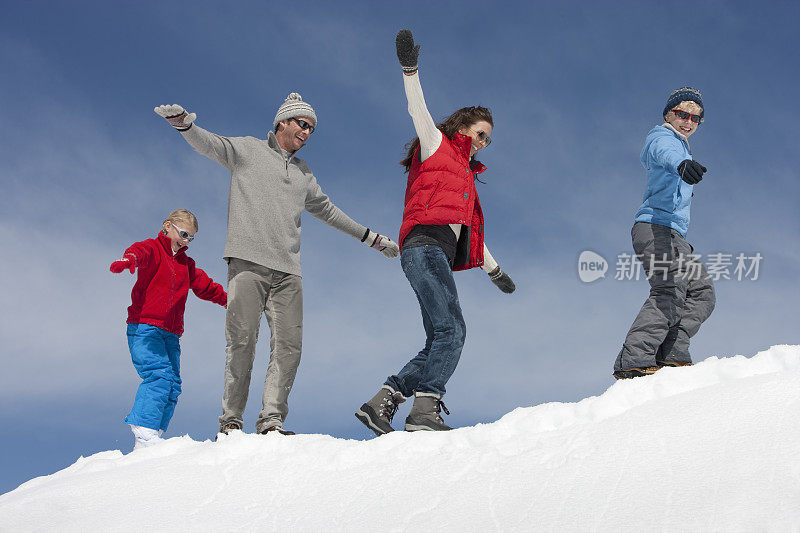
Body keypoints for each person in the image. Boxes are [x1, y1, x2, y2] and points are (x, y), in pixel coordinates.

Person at [154, 93, 399, 436]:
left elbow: (329, 211)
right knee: (242, 341)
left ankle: (271, 419)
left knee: (289, 346)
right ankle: (230, 422)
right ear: (282, 122)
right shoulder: (247, 151)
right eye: (303, 124)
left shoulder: (303, 174)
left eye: (312, 128)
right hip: (248, 264)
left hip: (288, 273)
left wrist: (371, 238)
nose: (307, 132)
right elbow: (209, 144)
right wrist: (185, 126)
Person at [355, 29, 516, 435]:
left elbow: (468, 233)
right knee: (453, 330)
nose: (483, 143)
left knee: (439, 339)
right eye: (480, 134)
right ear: (464, 125)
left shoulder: (464, 176)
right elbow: (418, 110)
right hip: (423, 248)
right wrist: (410, 70)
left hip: (434, 253)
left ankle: (384, 401)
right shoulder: (436, 144)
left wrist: (494, 271)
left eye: (489, 141)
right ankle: (424, 411)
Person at [613, 87, 716, 379]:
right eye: (681, 114)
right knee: (669, 289)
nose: (687, 121)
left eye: (695, 118)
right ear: (668, 114)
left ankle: (672, 352)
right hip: (655, 228)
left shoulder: (684, 148)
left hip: (675, 236)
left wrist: (684, 160)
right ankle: (635, 358)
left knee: (701, 292)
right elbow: (662, 151)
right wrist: (681, 164)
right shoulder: (661, 138)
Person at [110, 209, 227, 449]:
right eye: (183, 234)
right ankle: (144, 432)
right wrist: (128, 260)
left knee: (173, 384)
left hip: (171, 333)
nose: (186, 241)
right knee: (158, 377)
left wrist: (230, 301)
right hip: (145, 327)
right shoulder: (153, 249)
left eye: (190, 238)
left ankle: (153, 435)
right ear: (167, 226)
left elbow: (206, 287)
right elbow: (138, 252)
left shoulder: (186, 264)